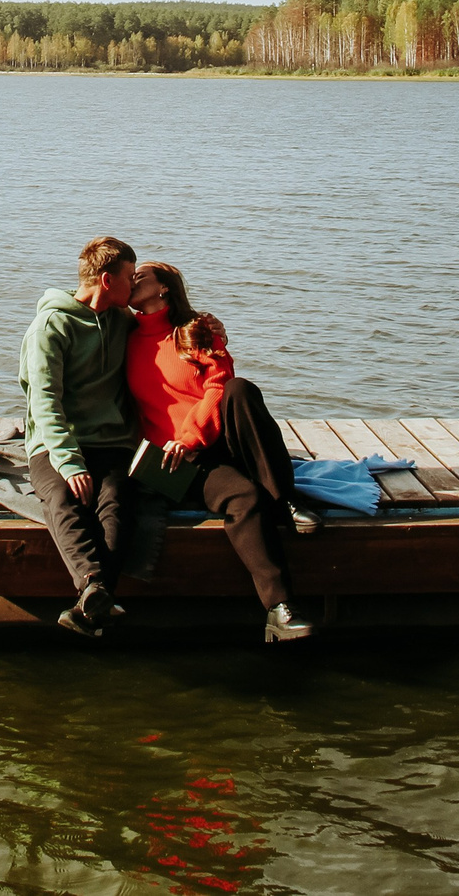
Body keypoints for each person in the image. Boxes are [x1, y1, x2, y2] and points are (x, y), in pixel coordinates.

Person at [125, 261, 316, 643]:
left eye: (140, 275)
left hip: (214, 439)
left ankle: (285, 499)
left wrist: (190, 436)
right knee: (244, 497)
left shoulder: (192, 331)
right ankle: (280, 610)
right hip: (179, 462)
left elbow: (218, 385)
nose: (131, 280)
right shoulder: (122, 334)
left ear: (164, 287)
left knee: (240, 389)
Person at [19, 235, 144, 637]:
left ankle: (90, 601)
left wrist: (208, 326)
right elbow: (45, 404)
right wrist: (69, 463)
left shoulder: (123, 320)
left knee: (117, 499)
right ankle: (93, 584)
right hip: (53, 444)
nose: (136, 284)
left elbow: (172, 326)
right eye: (130, 276)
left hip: (111, 441)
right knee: (62, 497)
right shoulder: (49, 327)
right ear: (107, 281)